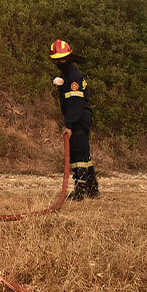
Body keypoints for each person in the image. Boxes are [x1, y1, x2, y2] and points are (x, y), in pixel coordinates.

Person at [49, 39, 100, 200]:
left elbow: (75, 103)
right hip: (79, 117)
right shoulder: (68, 74)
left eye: (62, 59)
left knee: (78, 155)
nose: (59, 62)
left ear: (68, 58)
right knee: (84, 154)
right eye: (56, 59)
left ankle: (80, 191)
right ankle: (92, 190)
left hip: (79, 118)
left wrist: (69, 125)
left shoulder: (74, 78)